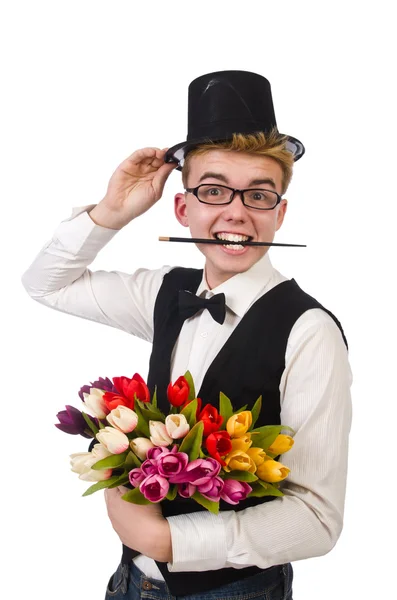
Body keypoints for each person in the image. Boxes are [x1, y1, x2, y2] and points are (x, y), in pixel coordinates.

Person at [21, 71, 352, 600]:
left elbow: (317, 518)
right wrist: (111, 212)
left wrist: (167, 539)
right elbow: (45, 285)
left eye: (259, 195)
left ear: (280, 213)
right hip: (130, 582)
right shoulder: (164, 293)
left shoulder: (309, 331)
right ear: (183, 208)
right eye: (214, 190)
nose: (236, 212)